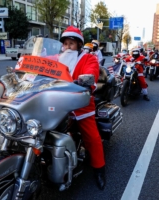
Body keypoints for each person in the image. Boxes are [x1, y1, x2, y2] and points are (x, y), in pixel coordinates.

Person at [59, 26, 106, 190]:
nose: (67, 47)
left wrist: (83, 82)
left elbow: (91, 75)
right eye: (65, 44)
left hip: (79, 103)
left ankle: (99, 169)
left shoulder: (89, 59)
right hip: (55, 103)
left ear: (79, 45)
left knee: (91, 137)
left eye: (71, 43)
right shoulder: (58, 59)